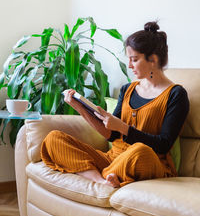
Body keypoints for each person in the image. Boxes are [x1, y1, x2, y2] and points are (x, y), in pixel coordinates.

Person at [41, 21, 189, 188]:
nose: (130, 65)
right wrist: (80, 107)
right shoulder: (127, 89)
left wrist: (123, 128)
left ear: (153, 60)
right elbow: (110, 135)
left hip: (146, 160)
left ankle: (101, 175)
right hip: (113, 158)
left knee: (140, 151)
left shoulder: (176, 95)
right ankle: (101, 181)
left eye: (134, 59)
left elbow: (163, 145)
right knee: (54, 138)